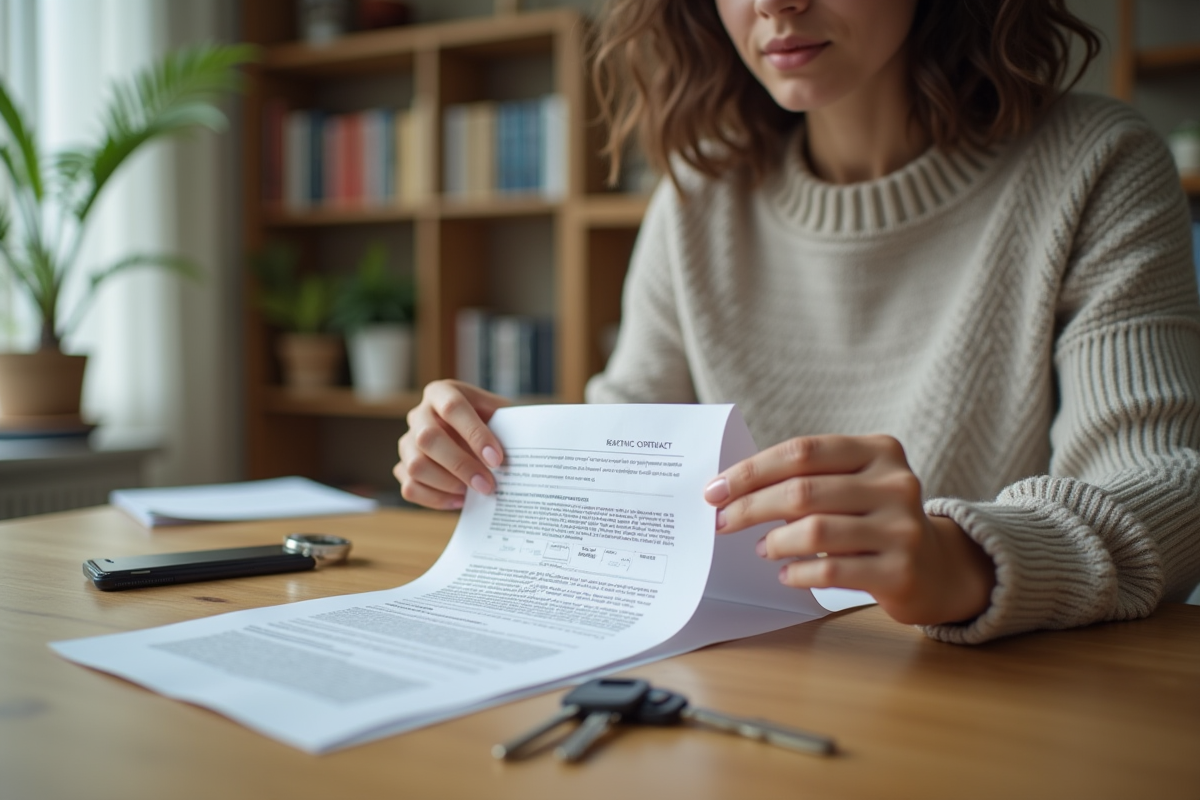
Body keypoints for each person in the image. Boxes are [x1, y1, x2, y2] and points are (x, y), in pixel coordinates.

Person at [394, 0, 1200, 644]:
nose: (775, 4)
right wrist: (514, 460)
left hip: (998, 709)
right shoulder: (696, 198)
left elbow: (1165, 490)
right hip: (749, 688)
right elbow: (633, 452)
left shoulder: (1097, 162)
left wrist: (961, 562)